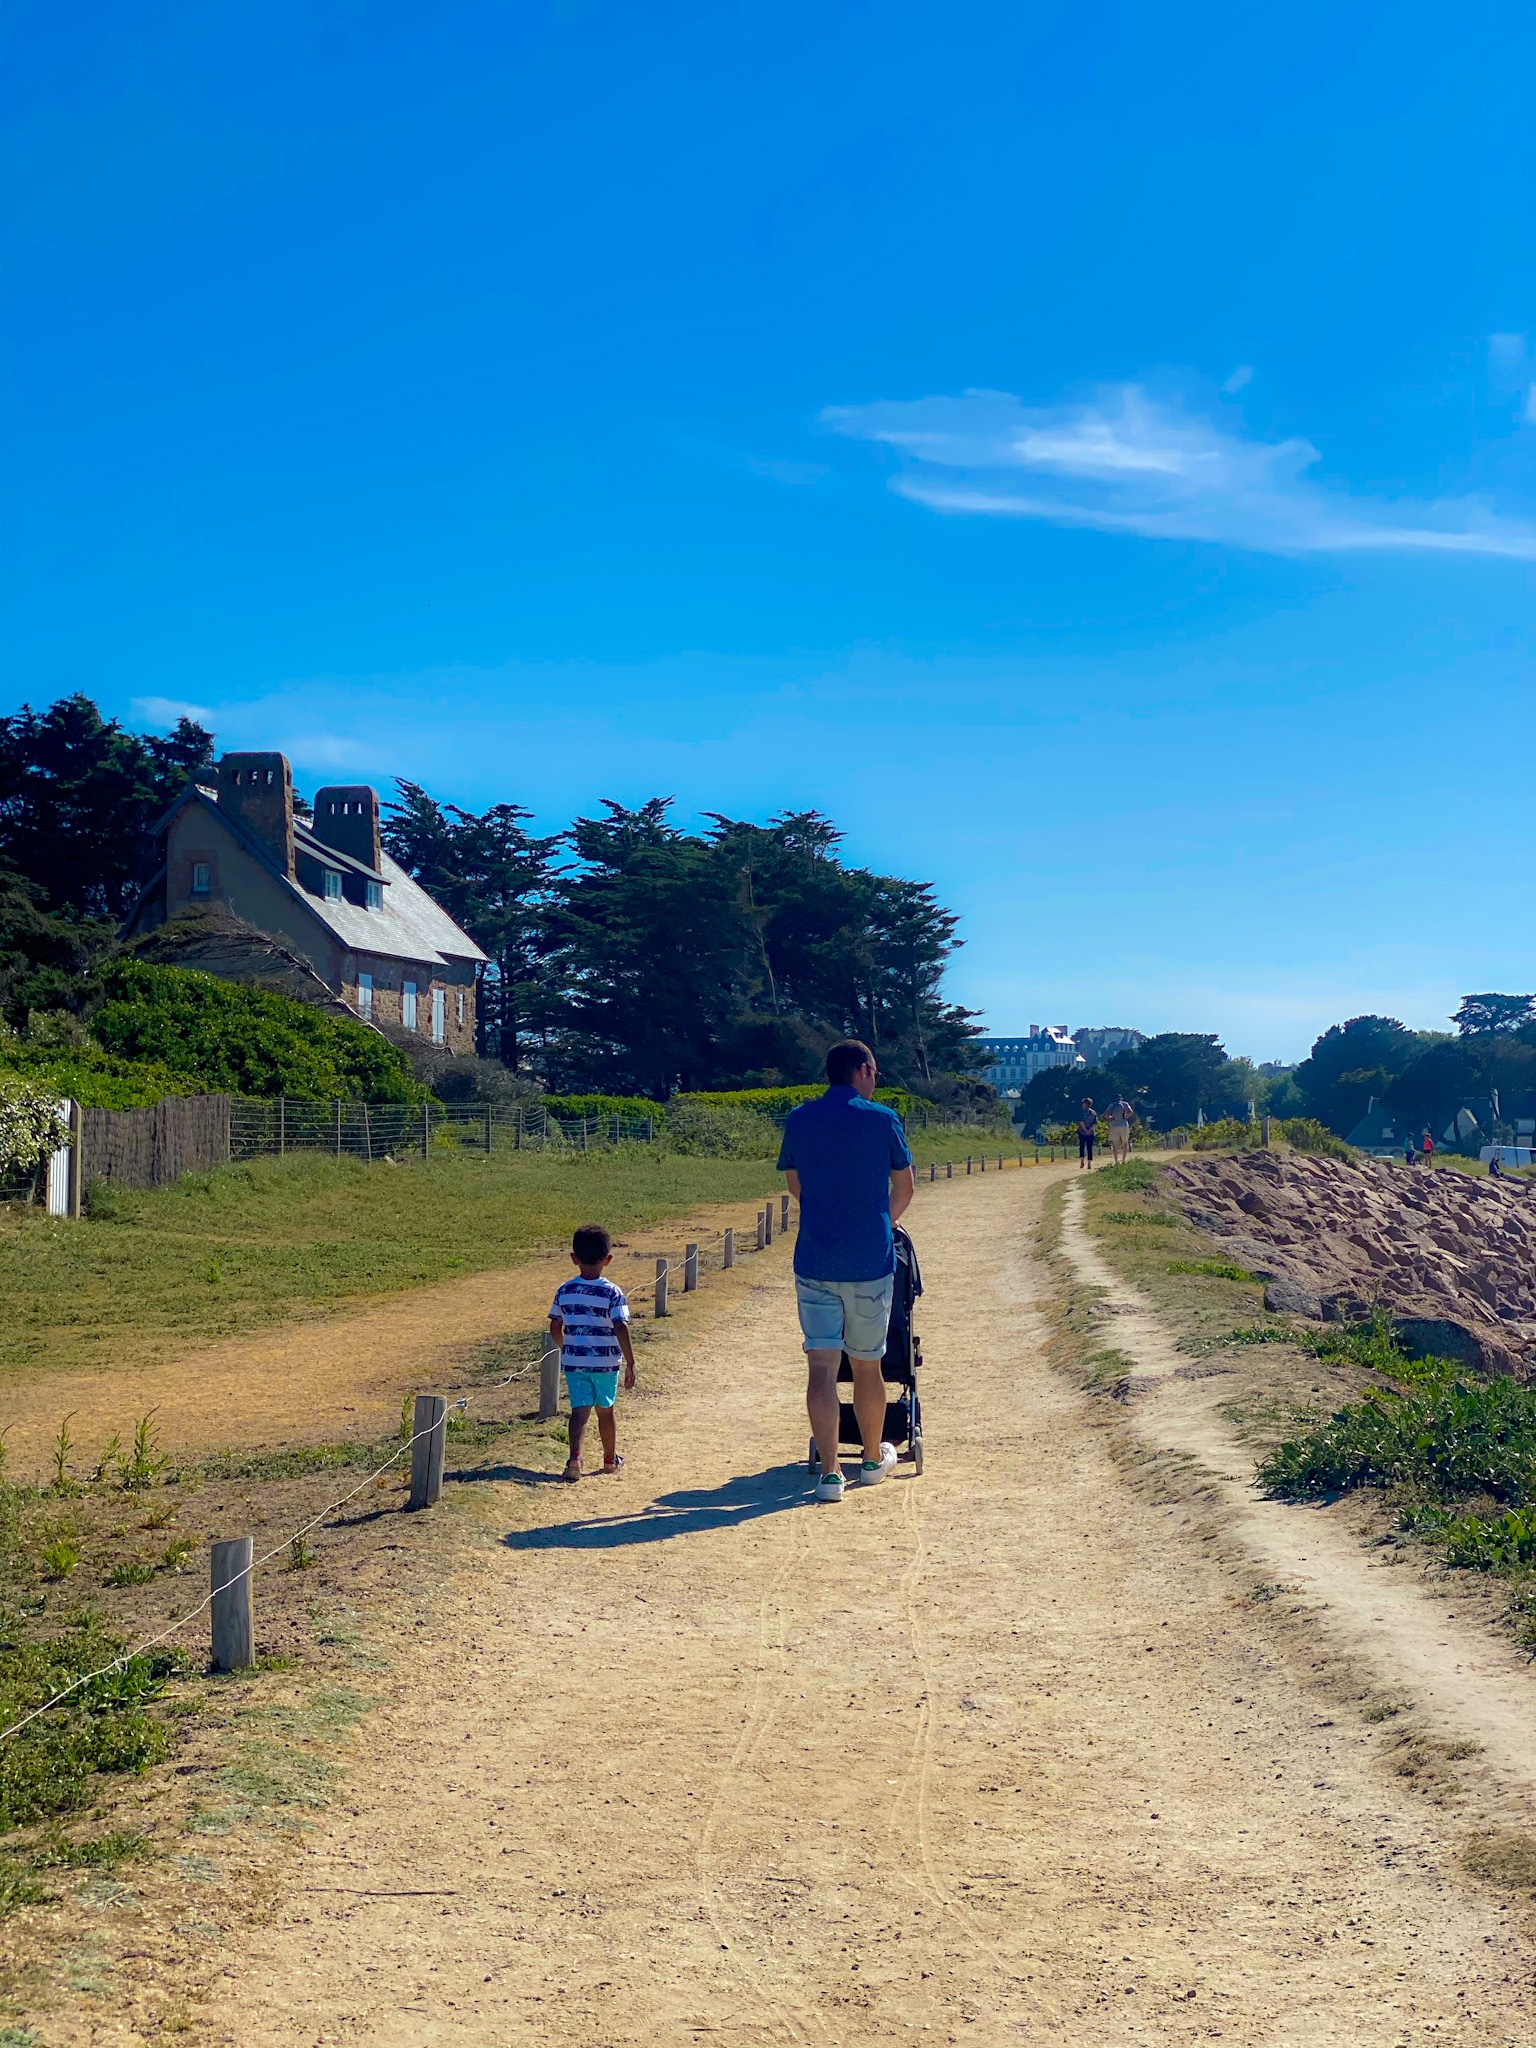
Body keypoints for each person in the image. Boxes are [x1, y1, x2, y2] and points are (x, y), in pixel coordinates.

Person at [777, 1039, 916, 1504]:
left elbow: (795, 1185)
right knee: (867, 1364)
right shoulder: (884, 1119)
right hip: (869, 1261)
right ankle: (873, 1461)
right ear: (860, 1071)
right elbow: (905, 1186)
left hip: (815, 1258)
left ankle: (831, 1473)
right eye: (874, 1071)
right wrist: (883, 1221)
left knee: (821, 1366)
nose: (876, 1078)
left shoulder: (798, 1119)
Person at [549, 1224, 636, 1482]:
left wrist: (566, 1346)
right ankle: (610, 1460)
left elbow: (555, 1325)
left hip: (575, 1361)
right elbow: (620, 1326)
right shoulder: (612, 1292)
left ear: (574, 1259)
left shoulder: (565, 1290)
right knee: (605, 1411)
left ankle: (575, 1458)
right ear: (607, 1260)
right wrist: (630, 1361)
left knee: (579, 1411)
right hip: (606, 1362)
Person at [1107, 1096, 1136, 1166]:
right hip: (1124, 1124)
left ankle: (1116, 1161)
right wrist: (1126, 1117)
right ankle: (1123, 1160)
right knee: (1125, 1142)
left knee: (1114, 1144)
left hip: (1114, 1125)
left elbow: (1106, 1114)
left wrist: (1111, 1118)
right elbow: (1131, 1111)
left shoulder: (1112, 1105)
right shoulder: (1125, 1104)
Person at [1077, 1099, 1099, 1170]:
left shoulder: (1081, 1112)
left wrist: (1085, 1130)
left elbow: (1081, 1122)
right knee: (1089, 1148)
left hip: (1082, 1132)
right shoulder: (1093, 1113)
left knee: (1082, 1147)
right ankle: (1089, 1163)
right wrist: (1089, 1130)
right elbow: (1094, 1123)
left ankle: (1082, 1162)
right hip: (1091, 1133)